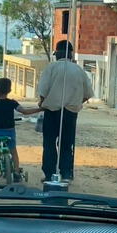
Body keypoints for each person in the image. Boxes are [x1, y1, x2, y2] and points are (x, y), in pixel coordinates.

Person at [37, 40, 94, 182]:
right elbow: (87, 94)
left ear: (58, 54)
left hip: (52, 111)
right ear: (71, 54)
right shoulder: (79, 70)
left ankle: (50, 174)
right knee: (67, 144)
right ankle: (66, 173)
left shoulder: (51, 68)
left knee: (49, 143)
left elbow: (43, 91)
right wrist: (75, 102)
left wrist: (42, 102)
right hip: (70, 113)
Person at [0, 78, 42, 183]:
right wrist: (40, 109)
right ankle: (16, 173)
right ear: (9, 90)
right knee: (14, 152)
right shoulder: (12, 103)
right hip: (10, 132)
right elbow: (24, 111)